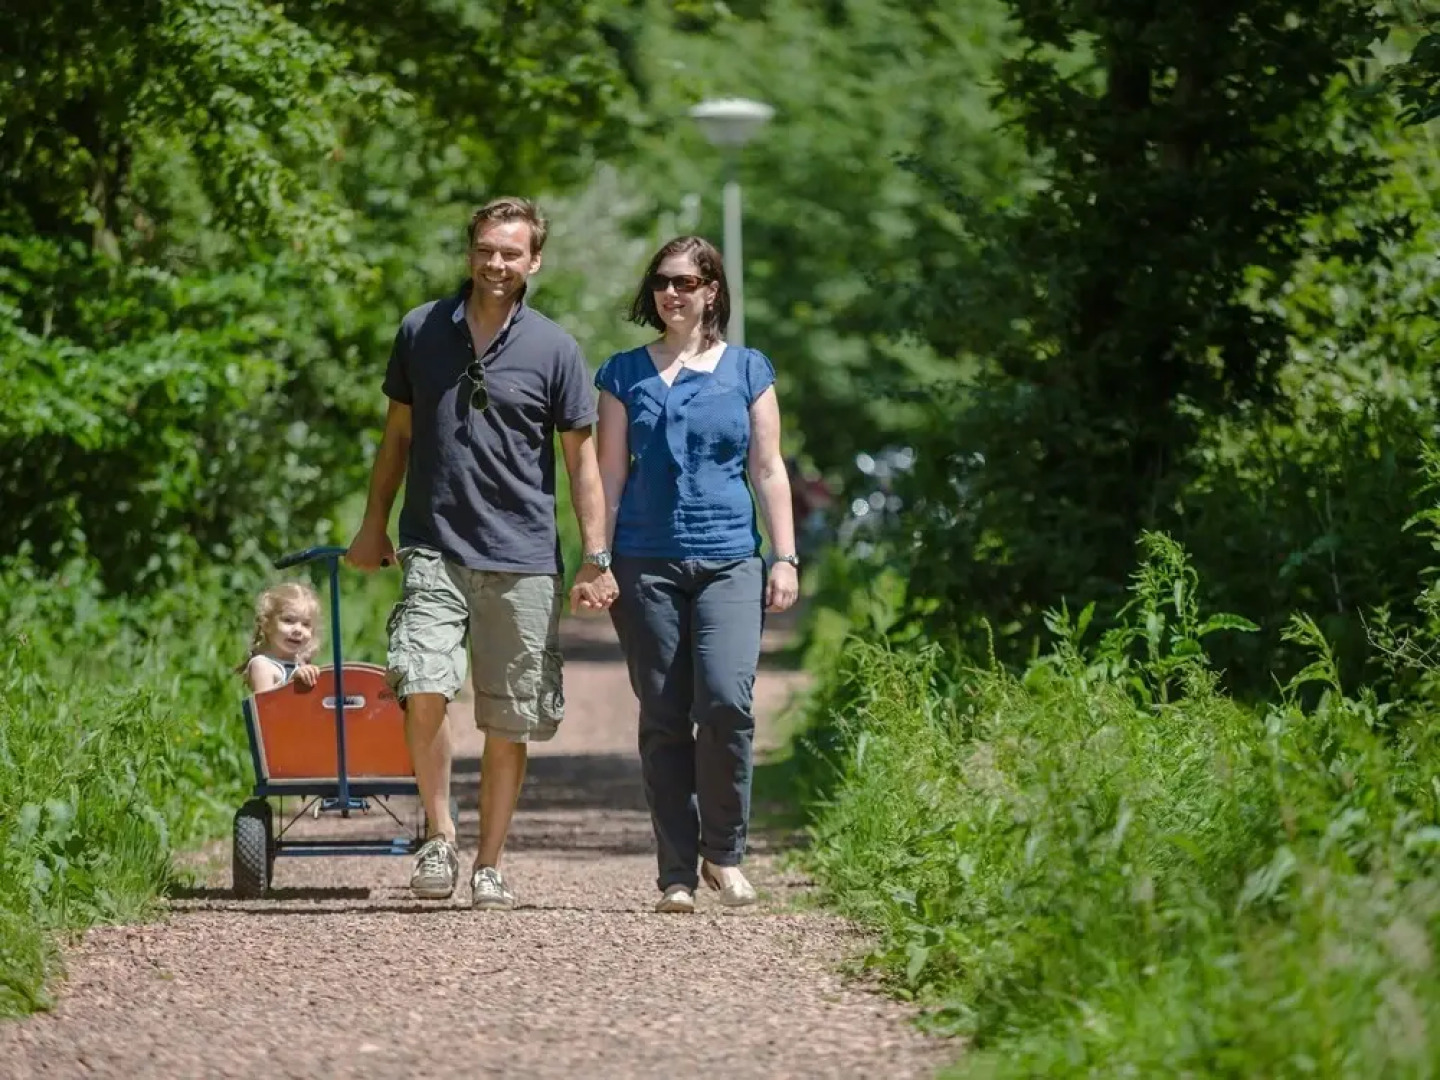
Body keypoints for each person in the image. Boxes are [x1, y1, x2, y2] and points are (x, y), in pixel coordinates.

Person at [345, 196, 618, 910]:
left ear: (534, 262)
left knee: (510, 716)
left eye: (511, 253)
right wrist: (373, 523)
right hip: (433, 542)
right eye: (485, 250)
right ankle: (439, 837)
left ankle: (489, 863)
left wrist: (597, 554)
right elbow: (397, 437)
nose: (496, 264)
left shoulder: (555, 348)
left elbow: (581, 463)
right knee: (422, 679)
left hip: (523, 554)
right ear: (470, 252)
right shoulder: (421, 330)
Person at [594, 235, 800, 914]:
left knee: (725, 703)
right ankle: (677, 873)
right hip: (645, 562)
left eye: (685, 282)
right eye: (661, 282)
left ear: (713, 289)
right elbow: (610, 475)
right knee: (663, 716)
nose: (670, 294)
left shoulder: (748, 370)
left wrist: (785, 556)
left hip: (730, 560)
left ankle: (726, 852)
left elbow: (769, 469)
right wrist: (598, 559)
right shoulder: (622, 373)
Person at [239, 582, 323, 693]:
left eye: (306, 624)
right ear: (267, 624)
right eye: (288, 620)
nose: (298, 629)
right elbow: (266, 707)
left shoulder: (301, 665)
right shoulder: (262, 666)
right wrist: (294, 682)